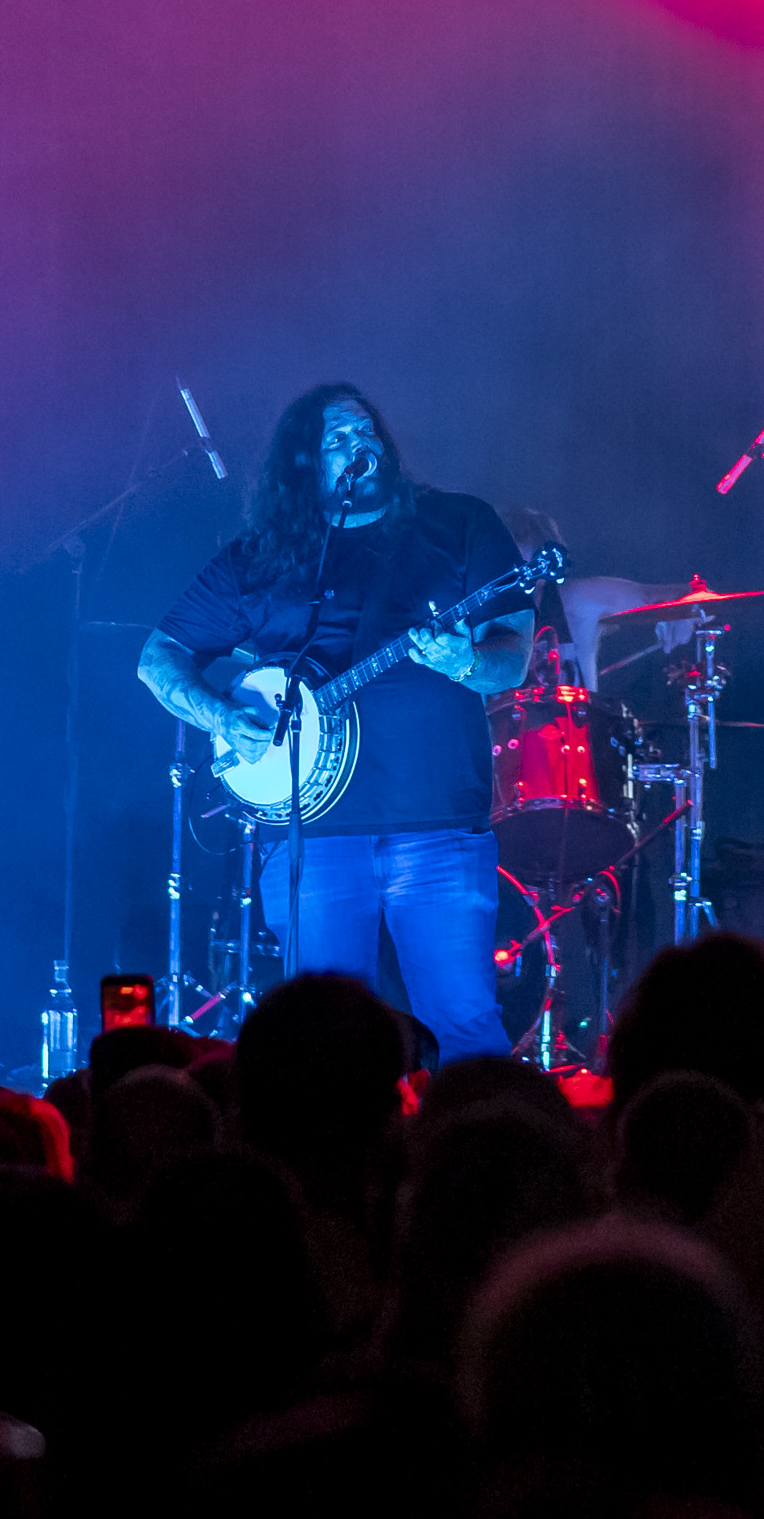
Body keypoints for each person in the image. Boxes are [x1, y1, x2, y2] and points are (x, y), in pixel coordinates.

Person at [139, 384, 534, 1068]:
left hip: (436, 825)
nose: (362, 444)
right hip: (310, 836)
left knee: (463, 1024)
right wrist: (223, 715)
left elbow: (513, 655)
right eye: (338, 438)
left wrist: (466, 659)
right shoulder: (262, 556)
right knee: (323, 1047)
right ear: (302, 463)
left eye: (366, 429)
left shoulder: (460, 523)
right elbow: (157, 657)